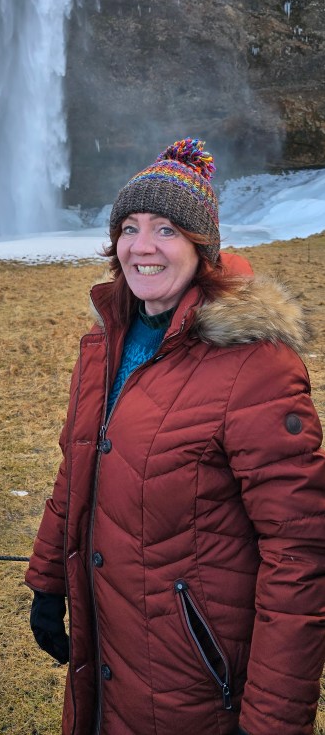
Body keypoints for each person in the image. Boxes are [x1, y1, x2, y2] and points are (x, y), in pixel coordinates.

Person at [25, 138, 325, 735]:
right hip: (110, 644)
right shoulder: (105, 342)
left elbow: (300, 551)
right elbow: (77, 469)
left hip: (198, 677)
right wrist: (49, 579)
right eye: (129, 228)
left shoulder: (255, 364)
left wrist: (272, 720)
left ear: (202, 248)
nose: (142, 246)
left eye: (166, 229)